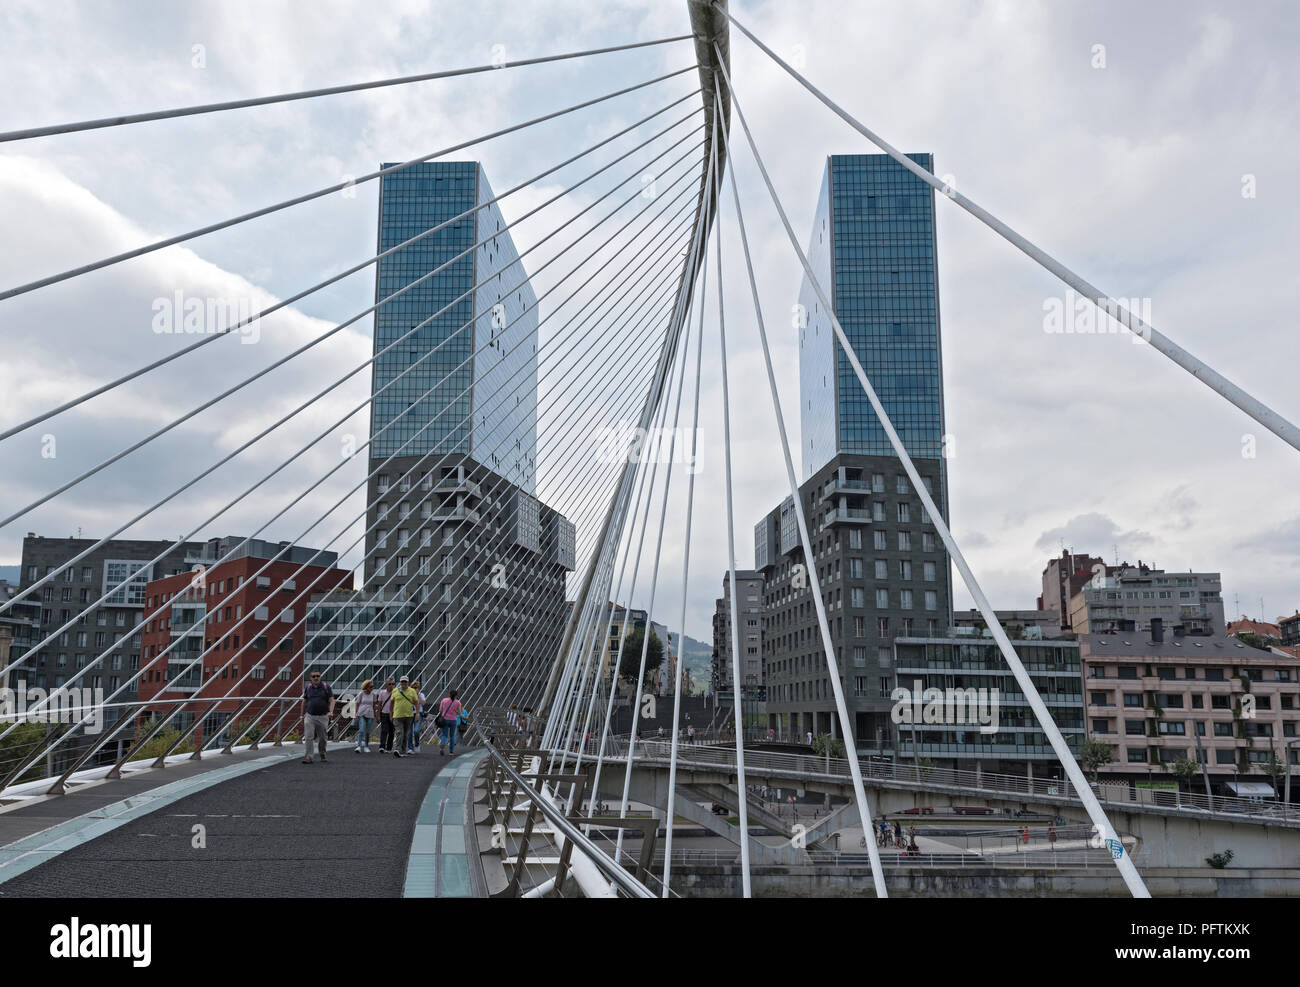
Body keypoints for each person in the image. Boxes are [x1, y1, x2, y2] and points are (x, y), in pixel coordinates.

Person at [301, 670, 334, 764]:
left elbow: (331, 700)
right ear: (310, 678)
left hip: (323, 716)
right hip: (310, 715)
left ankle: (322, 753)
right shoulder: (308, 687)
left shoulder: (326, 687)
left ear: (320, 677)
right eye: (313, 676)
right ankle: (308, 757)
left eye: (317, 676)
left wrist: (330, 711)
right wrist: (301, 715)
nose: (316, 678)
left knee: (323, 738)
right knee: (308, 736)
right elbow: (304, 701)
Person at [390, 676, 418, 758]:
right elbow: (391, 703)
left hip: (408, 716)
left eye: (405, 682)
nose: (403, 683)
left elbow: (416, 703)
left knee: (405, 734)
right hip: (397, 716)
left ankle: (402, 750)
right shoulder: (395, 691)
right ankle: (397, 749)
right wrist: (390, 714)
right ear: (400, 682)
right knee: (399, 732)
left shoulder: (412, 691)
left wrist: (417, 714)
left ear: (408, 683)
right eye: (402, 682)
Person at [438, 689, 463, 755]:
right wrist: (455, 712)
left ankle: (442, 747)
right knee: (452, 736)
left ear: (449, 694)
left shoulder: (444, 700)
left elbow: (440, 710)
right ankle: (451, 752)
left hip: (445, 720)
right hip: (453, 720)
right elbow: (460, 713)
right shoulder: (458, 702)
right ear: (456, 696)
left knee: (444, 735)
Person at [353, 680, 376, 753]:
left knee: (368, 731)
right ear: (366, 687)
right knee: (362, 730)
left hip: (370, 714)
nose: (372, 688)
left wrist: (375, 715)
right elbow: (357, 704)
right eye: (371, 686)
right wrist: (355, 714)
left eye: (373, 686)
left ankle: (366, 746)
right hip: (361, 713)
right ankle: (359, 746)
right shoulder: (361, 694)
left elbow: (374, 705)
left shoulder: (373, 695)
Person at [376, 677, 395, 752]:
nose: (391, 685)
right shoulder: (382, 693)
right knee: (384, 730)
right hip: (384, 713)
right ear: (386, 685)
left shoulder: (396, 692)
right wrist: (378, 715)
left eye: (393, 684)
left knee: (391, 732)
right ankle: (382, 746)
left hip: (393, 714)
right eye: (389, 684)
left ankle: (389, 747)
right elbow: (379, 705)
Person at [407, 680, 425, 754]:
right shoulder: (408, 694)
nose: (415, 689)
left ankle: (417, 744)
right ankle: (410, 748)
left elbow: (423, 703)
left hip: (418, 714)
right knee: (409, 732)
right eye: (413, 687)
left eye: (416, 687)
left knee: (416, 731)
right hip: (409, 714)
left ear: (419, 688)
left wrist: (417, 696)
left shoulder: (421, 694)